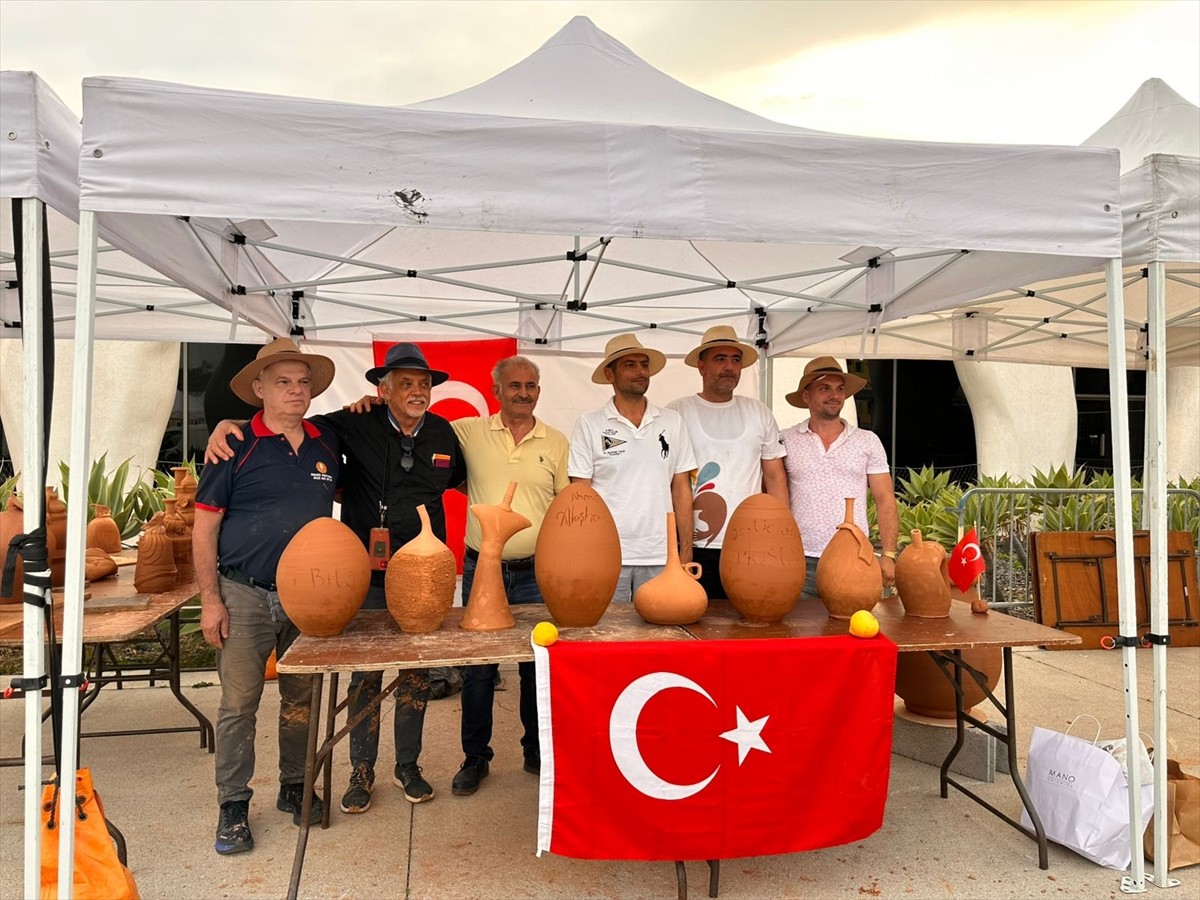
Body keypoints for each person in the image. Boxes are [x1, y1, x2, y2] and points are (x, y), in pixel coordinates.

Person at [206, 342, 467, 814]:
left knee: (415, 676)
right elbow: (283, 420)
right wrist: (230, 424)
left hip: (423, 576)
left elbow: (462, 481)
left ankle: (407, 766)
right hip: (363, 576)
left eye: (424, 383)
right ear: (383, 390)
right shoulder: (349, 424)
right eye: (405, 383)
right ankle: (359, 771)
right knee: (364, 677)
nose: (417, 391)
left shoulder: (442, 434)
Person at [193, 337, 339, 856]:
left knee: (301, 698)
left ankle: (295, 786)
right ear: (259, 388)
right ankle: (233, 805)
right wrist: (210, 600)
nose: (295, 390)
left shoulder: (327, 443)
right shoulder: (233, 444)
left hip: (307, 597)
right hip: (243, 594)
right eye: (283, 382)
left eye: (303, 382)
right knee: (239, 705)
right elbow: (204, 529)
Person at [448, 355, 569, 795]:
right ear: (496, 390)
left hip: (536, 571)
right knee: (479, 669)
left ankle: (537, 753)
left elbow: (564, 504)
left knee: (536, 667)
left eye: (531, 385)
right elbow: (415, 430)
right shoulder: (467, 432)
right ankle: (475, 758)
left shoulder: (555, 441)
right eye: (515, 385)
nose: (524, 393)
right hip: (483, 568)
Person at [568, 333, 696, 601]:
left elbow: (682, 489)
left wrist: (685, 552)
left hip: (662, 555)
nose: (641, 372)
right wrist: (583, 554)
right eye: (630, 365)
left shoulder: (672, 421)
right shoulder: (589, 424)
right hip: (606, 556)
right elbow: (581, 496)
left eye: (644, 364)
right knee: (609, 626)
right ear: (610, 374)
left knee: (659, 626)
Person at [667, 325, 788, 599]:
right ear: (701, 366)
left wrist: (780, 535)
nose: (730, 367)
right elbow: (666, 480)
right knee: (692, 616)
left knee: (747, 619)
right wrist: (678, 545)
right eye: (720, 359)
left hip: (751, 542)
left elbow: (775, 478)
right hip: (693, 545)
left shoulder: (759, 412)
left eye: (736, 360)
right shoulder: (677, 412)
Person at [780, 357, 899, 598]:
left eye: (840, 389)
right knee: (800, 622)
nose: (834, 395)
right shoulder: (785, 440)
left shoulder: (867, 441)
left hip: (854, 556)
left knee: (852, 621)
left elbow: (885, 499)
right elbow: (771, 494)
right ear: (806, 395)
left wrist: (888, 554)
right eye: (824, 388)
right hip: (799, 558)